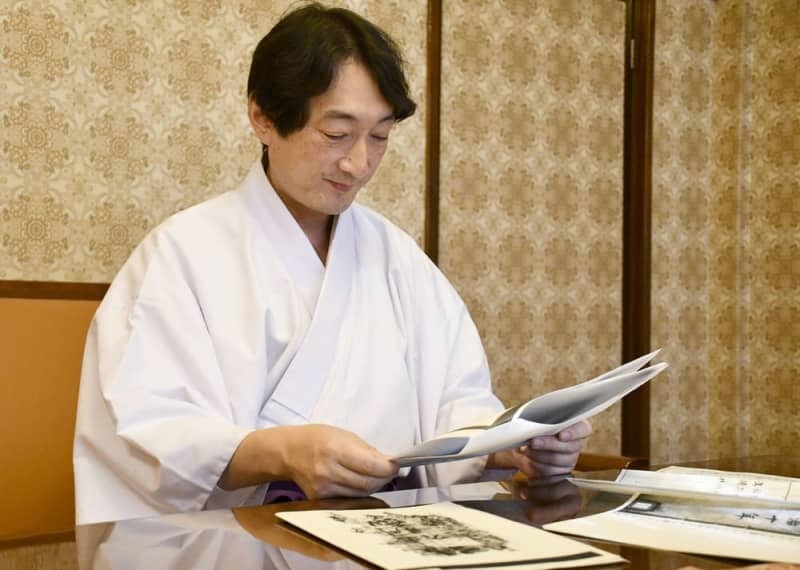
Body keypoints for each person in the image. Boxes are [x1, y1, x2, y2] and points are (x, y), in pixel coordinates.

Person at [73, 2, 591, 525]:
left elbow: (457, 403)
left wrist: (510, 447)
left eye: (380, 136)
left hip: (395, 541)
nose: (359, 163)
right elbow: (145, 432)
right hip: (238, 545)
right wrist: (282, 452)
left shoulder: (397, 260)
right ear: (263, 117)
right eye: (337, 134)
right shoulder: (181, 255)